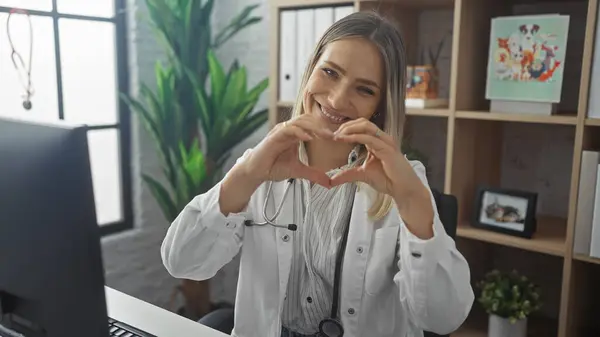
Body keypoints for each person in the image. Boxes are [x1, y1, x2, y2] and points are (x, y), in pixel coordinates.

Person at [161, 10, 474, 337]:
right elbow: (181, 262)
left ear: (381, 104)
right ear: (310, 71)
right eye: (329, 72)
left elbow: (442, 318)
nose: (337, 99)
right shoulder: (260, 165)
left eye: (364, 90)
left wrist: (411, 201)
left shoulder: (404, 179)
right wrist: (247, 174)